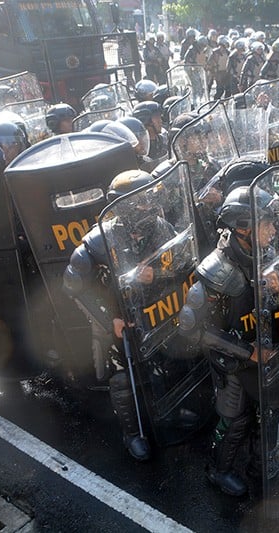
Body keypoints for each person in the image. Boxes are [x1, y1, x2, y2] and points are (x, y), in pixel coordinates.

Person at [63, 170, 198, 461]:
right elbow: (73, 283)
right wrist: (109, 318)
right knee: (123, 377)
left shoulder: (161, 228)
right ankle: (132, 432)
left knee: (165, 362)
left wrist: (157, 274)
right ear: (124, 206)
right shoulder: (100, 240)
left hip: (155, 312)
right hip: (117, 320)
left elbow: (181, 263)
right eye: (143, 202)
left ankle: (169, 413)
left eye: (152, 199)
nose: (150, 207)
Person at [177, 183, 279, 498]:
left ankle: (260, 463)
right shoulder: (216, 271)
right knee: (235, 420)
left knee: (268, 412)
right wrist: (247, 351)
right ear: (243, 228)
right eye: (266, 224)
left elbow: (271, 302)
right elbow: (192, 328)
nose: (273, 230)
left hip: (264, 350)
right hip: (233, 360)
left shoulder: (262, 255)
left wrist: (277, 289)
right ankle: (218, 469)